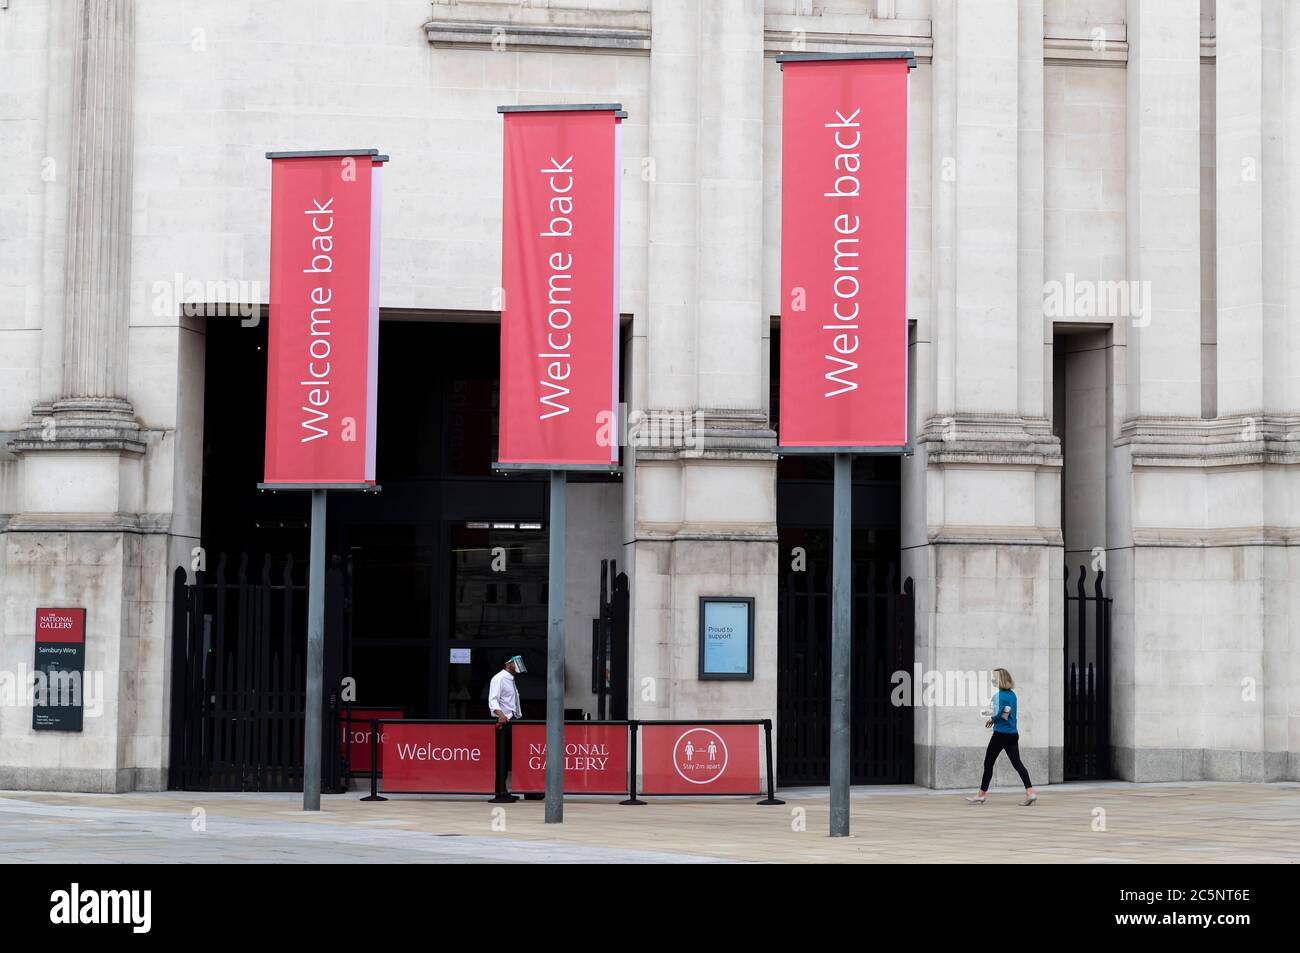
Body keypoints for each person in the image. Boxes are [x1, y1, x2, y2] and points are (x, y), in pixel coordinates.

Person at [966, 668, 1037, 806]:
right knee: (1017, 764)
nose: (992, 680)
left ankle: (981, 795)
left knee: (988, 763)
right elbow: (1006, 713)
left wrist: (991, 718)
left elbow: (999, 713)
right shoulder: (1012, 695)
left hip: (1000, 735)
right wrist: (995, 717)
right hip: (1013, 734)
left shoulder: (999, 695)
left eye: (994, 678)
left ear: (1000, 680)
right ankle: (1030, 792)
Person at [488, 655, 526, 801]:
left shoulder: (510, 679)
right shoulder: (499, 678)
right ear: (507, 663)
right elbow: (493, 700)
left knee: (507, 758)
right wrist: (501, 715)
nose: (518, 665)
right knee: (501, 757)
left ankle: (504, 790)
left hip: (511, 721)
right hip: (503, 722)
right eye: (515, 662)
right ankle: (499, 792)